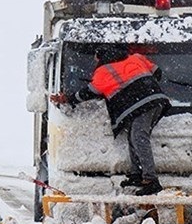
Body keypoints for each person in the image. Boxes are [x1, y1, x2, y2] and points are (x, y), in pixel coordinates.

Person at [50, 48, 170, 196]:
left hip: (143, 104)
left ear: (101, 57)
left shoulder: (104, 71)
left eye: (96, 59)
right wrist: (144, 86)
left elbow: (89, 92)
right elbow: (157, 72)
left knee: (139, 137)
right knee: (133, 136)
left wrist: (69, 98)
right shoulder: (136, 58)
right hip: (154, 100)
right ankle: (137, 174)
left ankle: (151, 181)